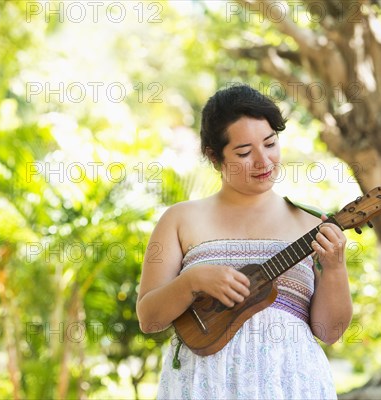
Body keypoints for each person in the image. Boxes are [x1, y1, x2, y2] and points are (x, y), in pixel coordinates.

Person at [136, 84, 352, 399]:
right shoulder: (180, 220)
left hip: (289, 382)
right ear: (214, 156)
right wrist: (191, 282)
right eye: (244, 152)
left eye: (270, 143)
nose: (264, 161)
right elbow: (149, 319)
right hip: (204, 385)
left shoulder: (311, 224)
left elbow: (329, 332)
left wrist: (334, 267)